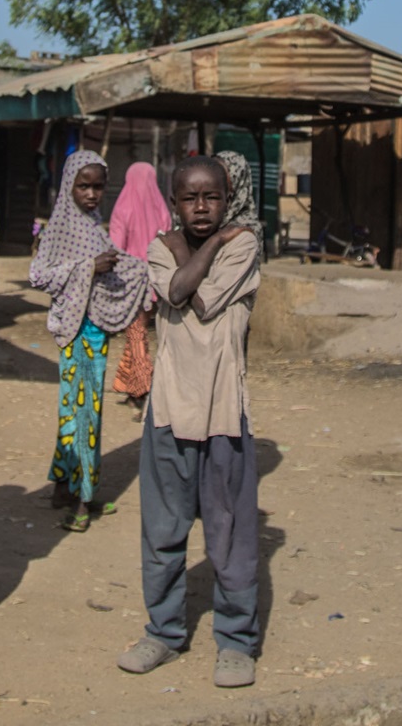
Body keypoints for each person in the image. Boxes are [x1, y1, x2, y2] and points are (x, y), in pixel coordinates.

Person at [118, 154, 264, 690]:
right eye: (189, 198)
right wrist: (188, 249)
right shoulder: (162, 248)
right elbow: (175, 291)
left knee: (231, 538)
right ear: (173, 202)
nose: (202, 209)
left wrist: (187, 251)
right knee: (162, 532)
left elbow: (197, 301)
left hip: (223, 411)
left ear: (227, 199)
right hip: (170, 410)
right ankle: (164, 631)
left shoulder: (244, 245)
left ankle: (236, 642)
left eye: (212, 197)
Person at [32, 151, 146, 531]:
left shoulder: (94, 226)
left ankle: (62, 488)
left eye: (98, 186)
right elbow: (39, 275)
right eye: (84, 186)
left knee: (73, 410)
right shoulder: (61, 228)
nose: (93, 193)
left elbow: (114, 267)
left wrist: (139, 269)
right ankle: (83, 500)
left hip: (94, 332)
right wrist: (88, 267)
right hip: (76, 331)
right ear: (69, 186)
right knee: (85, 414)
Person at [109, 161, 172, 407]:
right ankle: (129, 384)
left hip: (129, 283)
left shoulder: (122, 208)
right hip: (155, 281)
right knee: (137, 331)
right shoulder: (162, 209)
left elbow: (115, 247)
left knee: (135, 333)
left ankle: (143, 387)